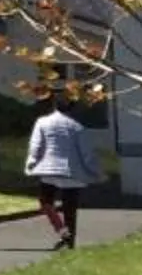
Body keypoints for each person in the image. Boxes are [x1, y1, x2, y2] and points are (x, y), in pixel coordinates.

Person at [23, 96, 103, 250]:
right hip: (71, 171)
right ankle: (70, 239)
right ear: (71, 109)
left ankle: (61, 229)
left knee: (45, 202)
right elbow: (86, 153)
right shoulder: (77, 126)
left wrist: (31, 162)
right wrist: (95, 171)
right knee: (70, 207)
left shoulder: (42, 122)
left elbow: (36, 145)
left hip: (49, 169)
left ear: (54, 106)